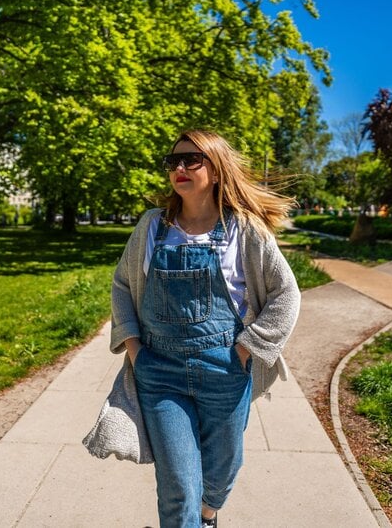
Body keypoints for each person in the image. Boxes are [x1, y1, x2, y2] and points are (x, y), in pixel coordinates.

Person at [107, 129, 301, 527]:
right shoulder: (151, 227)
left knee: (222, 471)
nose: (179, 168)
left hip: (225, 370)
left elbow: (287, 294)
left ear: (216, 169)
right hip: (159, 374)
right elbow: (122, 285)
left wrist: (247, 349)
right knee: (178, 486)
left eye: (192, 160)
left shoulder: (244, 230)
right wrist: (135, 351)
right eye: (173, 161)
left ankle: (209, 515)